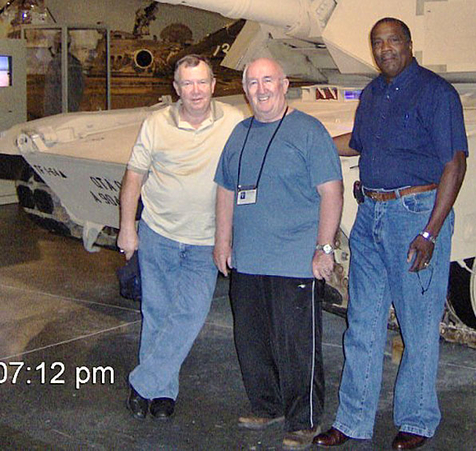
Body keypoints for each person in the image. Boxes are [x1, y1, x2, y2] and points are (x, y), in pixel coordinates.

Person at [313, 17, 468, 450]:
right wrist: (314, 140)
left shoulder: (437, 93)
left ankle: (417, 420)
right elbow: (358, 142)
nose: (385, 49)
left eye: (393, 41)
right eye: (378, 43)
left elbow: (454, 164)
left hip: (414, 216)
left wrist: (430, 233)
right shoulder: (373, 94)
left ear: (409, 44)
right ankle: (353, 420)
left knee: (418, 327)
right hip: (371, 219)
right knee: (362, 324)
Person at [213, 57, 343, 450]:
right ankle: (266, 404)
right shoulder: (239, 133)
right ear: (245, 89)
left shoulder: (309, 131)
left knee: (297, 345)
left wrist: (324, 248)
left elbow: (331, 192)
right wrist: (222, 240)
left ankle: (303, 419)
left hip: (294, 260)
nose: (261, 89)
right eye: (253, 83)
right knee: (252, 340)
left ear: (284, 85)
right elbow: (224, 190)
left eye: (268, 80)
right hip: (248, 260)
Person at [118, 54, 244, 421]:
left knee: (190, 312)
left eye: (201, 82)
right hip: (159, 233)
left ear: (213, 85)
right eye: (187, 84)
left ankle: (142, 382)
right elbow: (134, 178)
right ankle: (161, 393)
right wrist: (128, 226)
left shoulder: (233, 122)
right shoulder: (156, 123)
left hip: (206, 239)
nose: (195, 91)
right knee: (157, 312)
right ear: (176, 89)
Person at [44, 33, 84, 116]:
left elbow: (51, 89)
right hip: (72, 106)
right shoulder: (75, 62)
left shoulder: (56, 63)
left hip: (57, 108)